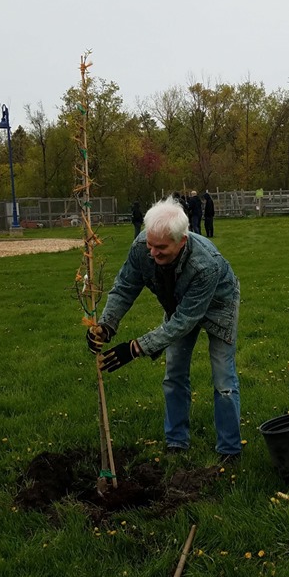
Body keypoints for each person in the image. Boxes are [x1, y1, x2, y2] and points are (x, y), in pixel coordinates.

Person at [86, 195, 241, 462]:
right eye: (150, 245)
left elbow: (184, 322)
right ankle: (176, 442)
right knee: (174, 375)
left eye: (161, 248)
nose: (153, 253)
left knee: (224, 380)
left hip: (219, 304)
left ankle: (229, 450)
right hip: (179, 303)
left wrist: (136, 348)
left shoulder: (206, 265)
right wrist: (106, 324)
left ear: (182, 240)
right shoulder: (142, 248)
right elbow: (125, 287)